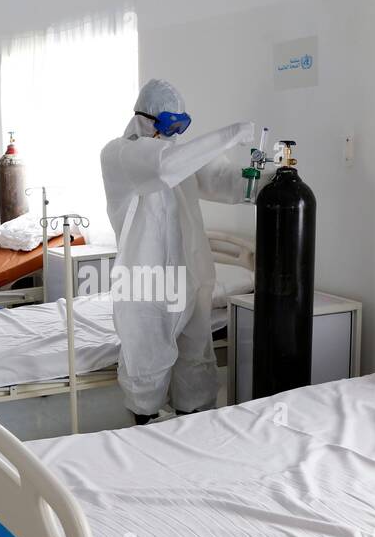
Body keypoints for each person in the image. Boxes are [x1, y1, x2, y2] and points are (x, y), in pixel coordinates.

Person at [100, 78, 259, 424]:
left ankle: (192, 430)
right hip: (146, 280)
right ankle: (141, 432)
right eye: (168, 123)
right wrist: (228, 134)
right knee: (147, 358)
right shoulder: (119, 154)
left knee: (196, 358)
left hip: (190, 276)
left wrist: (267, 178)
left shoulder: (177, 155)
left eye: (181, 124)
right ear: (144, 118)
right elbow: (162, 168)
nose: (174, 132)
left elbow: (222, 180)